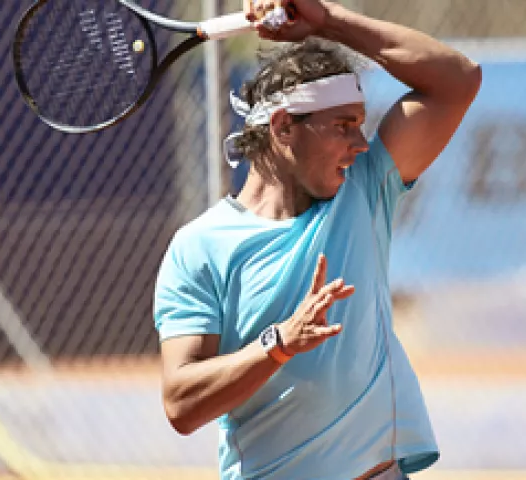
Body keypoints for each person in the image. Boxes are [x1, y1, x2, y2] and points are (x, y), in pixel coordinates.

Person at [153, 1, 481, 478]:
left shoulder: (366, 189)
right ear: (284, 126)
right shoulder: (199, 247)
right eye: (343, 126)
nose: (362, 144)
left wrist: (327, 20)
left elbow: (459, 80)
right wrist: (279, 343)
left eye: (361, 123)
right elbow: (181, 403)